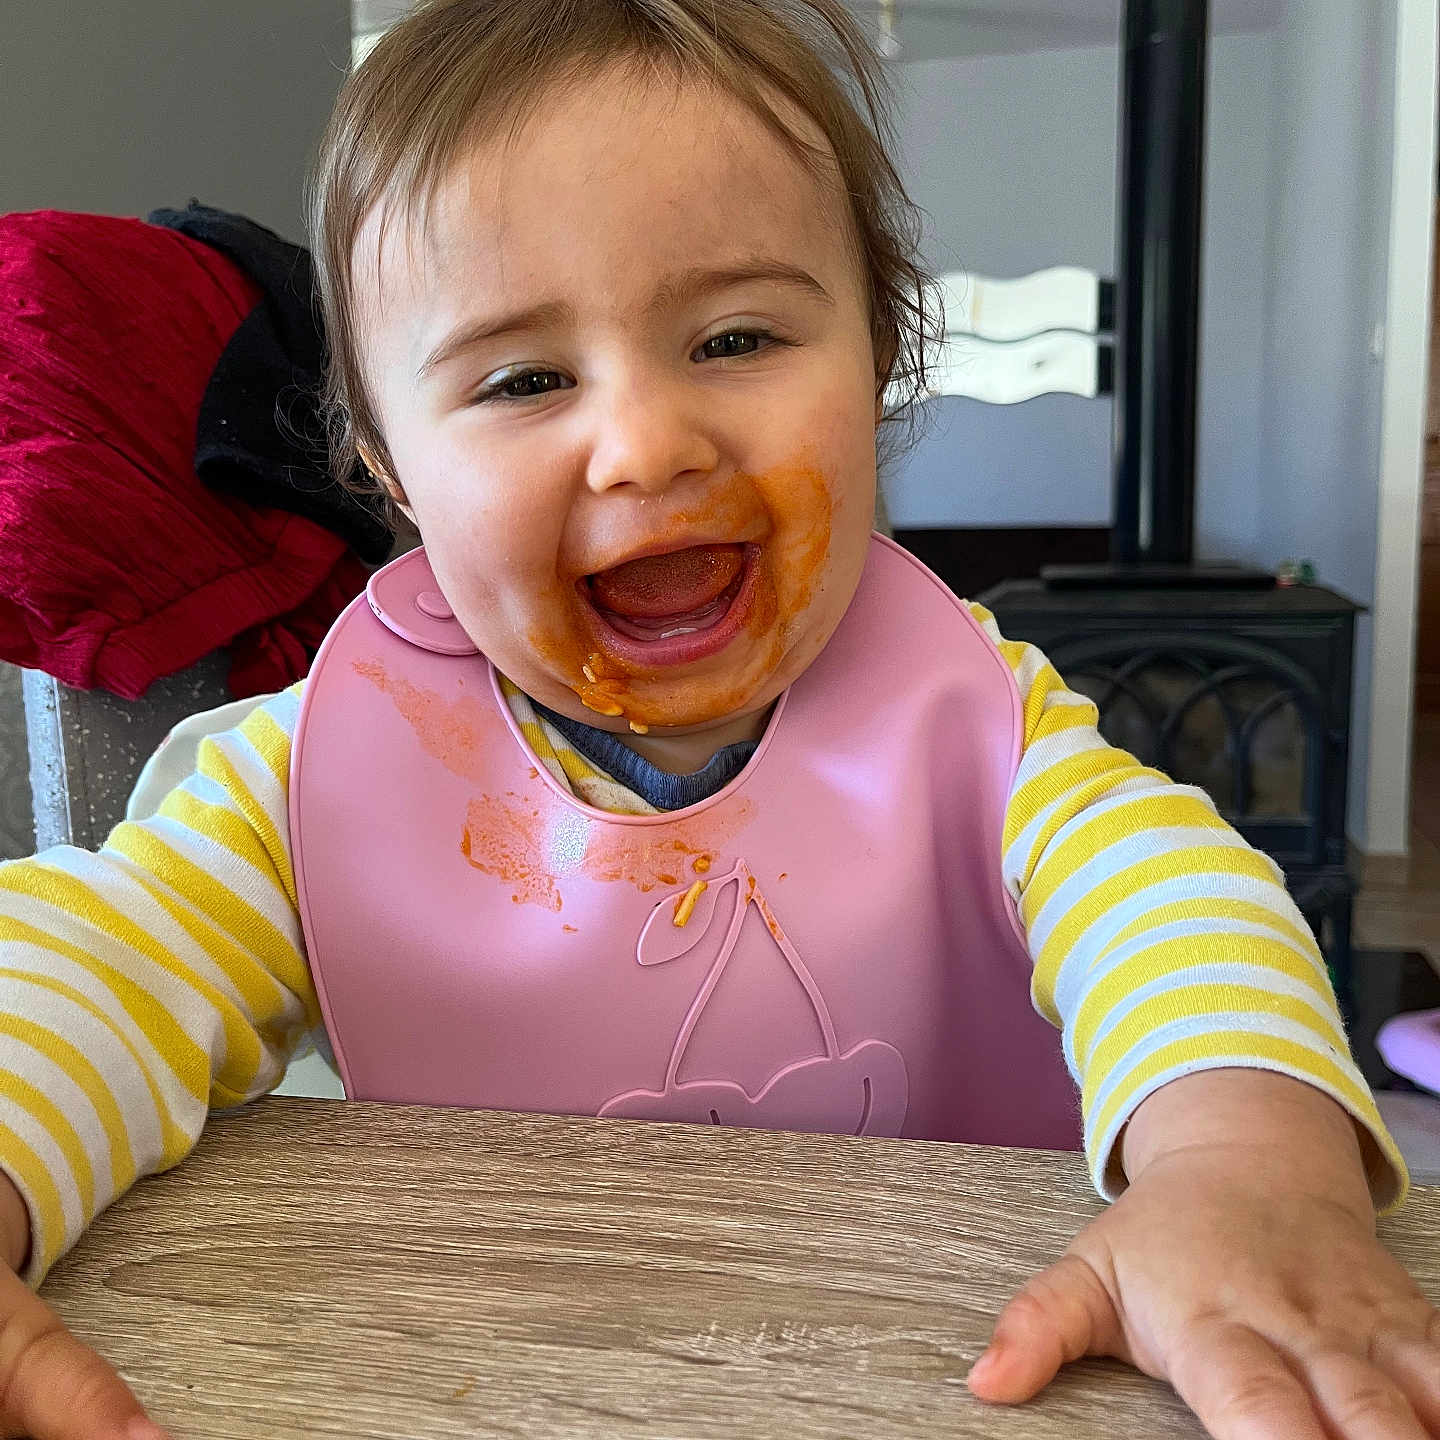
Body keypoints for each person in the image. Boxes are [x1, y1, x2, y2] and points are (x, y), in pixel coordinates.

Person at [1, 2, 1436, 1436]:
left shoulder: (966, 717)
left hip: (941, 1362)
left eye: (736, 336)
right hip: (499, 1372)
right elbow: (97, 954)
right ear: (389, 463)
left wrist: (1241, 1165)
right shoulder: (319, 777)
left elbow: (1164, 891)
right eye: (524, 379)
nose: (644, 443)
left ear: (876, 362)